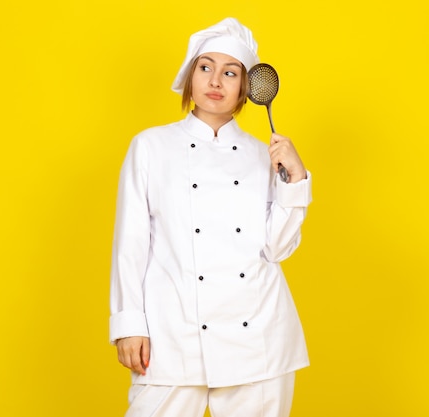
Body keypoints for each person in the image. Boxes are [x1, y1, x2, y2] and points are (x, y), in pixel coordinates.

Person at [109, 17, 312, 417]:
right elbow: (131, 241)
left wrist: (296, 181)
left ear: (245, 90)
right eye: (206, 68)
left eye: (230, 72)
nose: (216, 81)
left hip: (257, 335)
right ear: (190, 76)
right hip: (173, 332)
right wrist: (129, 323)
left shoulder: (263, 156)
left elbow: (277, 248)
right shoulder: (151, 146)